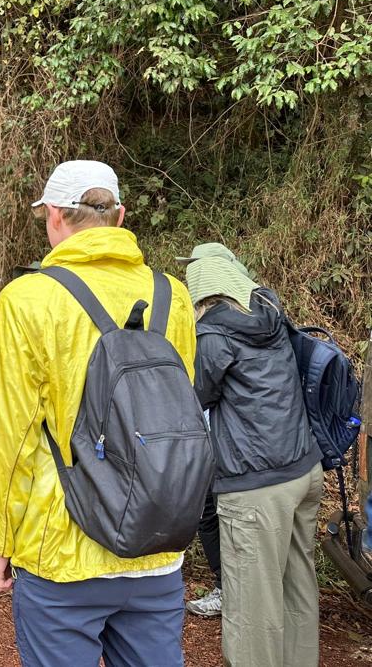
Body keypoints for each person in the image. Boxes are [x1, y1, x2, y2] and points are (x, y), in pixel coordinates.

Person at [0, 160, 197, 667]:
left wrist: (0, 539)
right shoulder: (173, 296)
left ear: (54, 215)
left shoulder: (28, 299)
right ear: (120, 217)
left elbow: (13, 435)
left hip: (63, 548)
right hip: (156, 546)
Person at [185, 253, 322, 667]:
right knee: (297, 591)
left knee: (251, 607)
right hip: (303, 468)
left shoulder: (213, 335)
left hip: (255, 485)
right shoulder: (271, 313)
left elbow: (198, 397)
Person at [176, 243, 255, 619]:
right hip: (228, 440)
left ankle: (232, 591)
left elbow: (202, 389)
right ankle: (228, 586)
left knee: (215, 512)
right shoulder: (255, 315)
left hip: (231, 442)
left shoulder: (218, 326)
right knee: (208, 511)